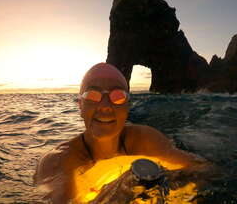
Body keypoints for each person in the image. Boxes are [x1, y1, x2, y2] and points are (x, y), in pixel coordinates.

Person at [34, 62, 210, 203]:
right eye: (92, 95)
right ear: (80, 106)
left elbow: (206, 171)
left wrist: (161, 184)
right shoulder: (59, 162)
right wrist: (117, 195)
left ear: (127, 106)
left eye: (117, 96)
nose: (105, 106)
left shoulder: (145, 140)